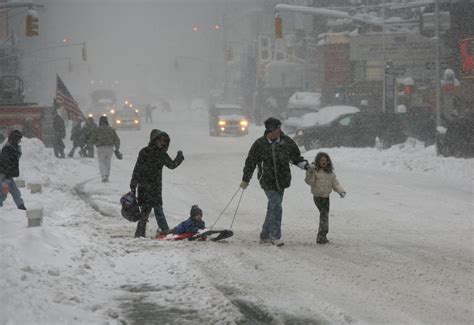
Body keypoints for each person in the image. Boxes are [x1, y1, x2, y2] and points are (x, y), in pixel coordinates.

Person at [240, 117, 309, 246]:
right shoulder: (260, 144)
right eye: (274, 130)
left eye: (278, 129)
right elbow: (250, 162)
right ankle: (274, 236)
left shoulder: (287, 142)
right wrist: (245, 179)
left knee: (273, 207)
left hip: (282, 180)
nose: (277, 132)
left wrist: (305, 166)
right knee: (276, 205)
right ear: (268, 130)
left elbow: (296, 157)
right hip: (267, 180)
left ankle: (264, 235)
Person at [130, 129, 184, 238]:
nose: (162, 143)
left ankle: (162, 231)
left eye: (164, 141)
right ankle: (142, 233)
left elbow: (171, 165)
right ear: (154, 140)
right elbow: (137, 168)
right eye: (160, 140)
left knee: (158, 209)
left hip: (155, 186)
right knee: (146, 210)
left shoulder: (162, 154)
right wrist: (133, 182)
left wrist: (179, 158)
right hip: (144, 186)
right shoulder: (144, 152)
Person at [304, 152, 346, 244]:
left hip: (326, 197)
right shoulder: (315, 171)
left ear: (328, 162)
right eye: (321, 160)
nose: (323, 162)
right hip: (317, 197)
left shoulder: (331, 173)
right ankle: (321, 236)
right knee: (324, 214)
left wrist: (341, 191)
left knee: (324, 215)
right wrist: (309, 172)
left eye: (325, 160)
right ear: (318, 161)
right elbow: (309, 182)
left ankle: (322, 235)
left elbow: (335, 184)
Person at [89, 116, 120, 183]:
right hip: (110, 147)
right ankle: (107, 175)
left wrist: (90, 144)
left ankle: (103, 175)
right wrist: (117, 148)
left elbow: (93, 138)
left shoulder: (97, 129)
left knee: (101, 161)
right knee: (107, 162)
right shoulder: (111, 129)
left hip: (101, 147)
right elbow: (116, 139)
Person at [0, 130, 26, 210]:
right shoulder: (7, 149)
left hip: (8, 175)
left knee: (16, 192)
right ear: (14, 139)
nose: (20, 141)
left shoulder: (13, 148)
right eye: (18, 139)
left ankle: (21, 207)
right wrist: (7, 173)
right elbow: (5, 163)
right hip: (4, 175)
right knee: (3, 193)